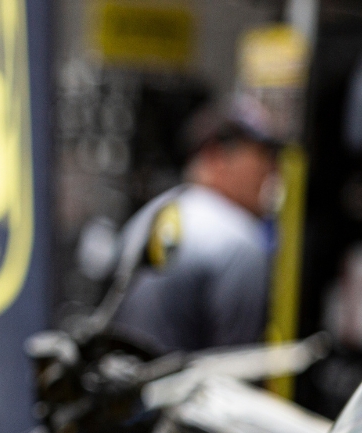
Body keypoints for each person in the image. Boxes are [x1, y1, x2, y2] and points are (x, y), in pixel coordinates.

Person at [112, 98, 282, 353]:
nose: (271, 171)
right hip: (186, 390)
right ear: (216, 156)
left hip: (122, 385)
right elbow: (233, 370)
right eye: (262, 156)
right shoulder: (239, 242)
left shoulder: (151, 214)